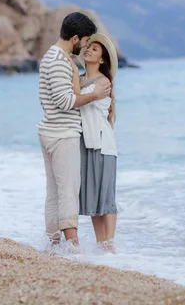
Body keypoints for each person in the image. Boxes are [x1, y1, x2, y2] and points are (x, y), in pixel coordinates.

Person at [37, 12, 111, 248]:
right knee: (68, 190)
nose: (85, 47)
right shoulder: (58, 60)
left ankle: (54, 241)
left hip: (50, 130)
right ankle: (73, 247)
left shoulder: (54, 56)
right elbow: (65, 101)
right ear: (76, 38)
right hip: (61, 133)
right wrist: (95, 95)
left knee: (55, 191)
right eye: (85, 41)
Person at [70, 33, 119, 253]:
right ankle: (101, 246)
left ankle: (109, 247)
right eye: (88, 47)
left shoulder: (103, 82)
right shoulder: (79, 79)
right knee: (93, 199)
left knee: (106, 198)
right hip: (85, 144)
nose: (88, 50)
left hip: (102, 144)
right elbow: (74, 100)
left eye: (95, 49)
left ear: (101, 59)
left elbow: (79, 100)